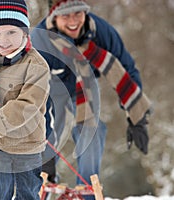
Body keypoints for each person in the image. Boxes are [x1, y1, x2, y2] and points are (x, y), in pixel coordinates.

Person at [31, 0, 152, 199]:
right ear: (53, 16)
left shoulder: (100, 31)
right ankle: (37, 184)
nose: (73, 21)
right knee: (51, 134)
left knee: (92, 130)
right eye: (65, 15)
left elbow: (127, 68)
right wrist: (43, 147)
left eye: (77, 13)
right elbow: (34, 96)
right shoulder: (41, 40)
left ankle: (85, 191)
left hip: (83, 90)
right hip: (49, 92)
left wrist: (137, 117)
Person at [0, 0, 50, 199]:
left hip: (26, 142)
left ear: (24, 32)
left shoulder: (37, 65)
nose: (3, 40)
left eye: (11, 32)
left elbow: (29, 103)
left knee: (27, 191)